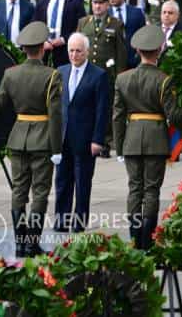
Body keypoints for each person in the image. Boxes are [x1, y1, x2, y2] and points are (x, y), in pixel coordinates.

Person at [112, 25, 182, 250]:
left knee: (135, 189)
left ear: (138, 51)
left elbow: (117, 116)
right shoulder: (164, 80)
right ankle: (147, 241)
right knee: (151, 190)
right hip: (155, 140)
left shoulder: (122, 79)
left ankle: (134, 238)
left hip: (131, 138)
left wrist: (120, 147)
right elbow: (176, 116)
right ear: (159, 51)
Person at [0, 22, 62, 258]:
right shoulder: (52, 76)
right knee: (40, 192)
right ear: (42, 48)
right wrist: (57, 147)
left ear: (24, 49)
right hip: (42, 140)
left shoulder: (11, 74)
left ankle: (21, 243)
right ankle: (32, 243)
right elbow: (55, 115)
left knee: (19, 191)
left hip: (18, 137)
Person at [54, 33, 109, 233]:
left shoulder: (99, 75)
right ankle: (61, 220)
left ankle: (79, 223)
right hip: (63, 139)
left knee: (82, 183)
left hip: (86, 141)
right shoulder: (60, 72)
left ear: (86, 51)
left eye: (78, 51)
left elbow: (103, 111)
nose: (74, 55)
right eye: (71, 50)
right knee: (62, 182)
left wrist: (98, 139)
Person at [77, 0, 127, 158]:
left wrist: (120, 76)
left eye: (101, 3)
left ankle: (104, 142)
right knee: (87, 107)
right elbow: (78, 46)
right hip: (87, 73)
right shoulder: (83, 23)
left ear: (108, 4)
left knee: (104, 108)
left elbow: (121, 53)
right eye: (94, 2)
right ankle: (87, 139)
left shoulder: (116, 24)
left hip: (107, 74)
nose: (97, 6)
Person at [34, 0, 86, 67]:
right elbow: (36, 24)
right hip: (45, 50)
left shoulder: (75, 2)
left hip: (66, 50)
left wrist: (63, 39)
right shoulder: (42, 2)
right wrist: (43, 41)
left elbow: (81, 26)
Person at [109, 0, 145, 69]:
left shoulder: (137, 13)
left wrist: (138, 58)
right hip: (111, 63)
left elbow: (143, 36)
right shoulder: (105, 14)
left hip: (133, 62)